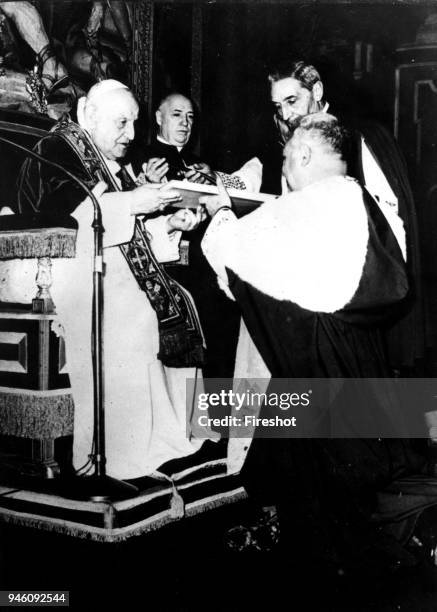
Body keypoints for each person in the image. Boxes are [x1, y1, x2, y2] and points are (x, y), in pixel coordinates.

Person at [200, 113, 436, 577]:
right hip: (360, 363)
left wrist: (218, 211)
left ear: (304, 154)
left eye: (287, 157)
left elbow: (236, 251)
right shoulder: (361, 199)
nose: (284, 167)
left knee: (334, 520)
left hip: (320, 363)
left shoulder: (306, 206)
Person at [15, 79, 213, 480]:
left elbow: (129, 233)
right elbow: (70, 224)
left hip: (102, 266)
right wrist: (138, 201)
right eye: (121, 123)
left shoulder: (106, 160)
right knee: (132, 312)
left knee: (178, 299)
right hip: (57, 269)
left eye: (135, 124)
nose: (131, 135)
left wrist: (170, 224)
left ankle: (180, 437)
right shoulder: (57, 149)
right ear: (88, 113)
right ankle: (127, 452)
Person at [229, 58, 424, 377]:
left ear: (317, 89)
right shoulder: (289, 144)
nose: (286, 113)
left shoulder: (358, 137)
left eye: (292, 100)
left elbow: (389, 221)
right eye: (278, 106)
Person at [131, 92, 240, 382]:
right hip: (167, 267)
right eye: (177, 114)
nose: (185, 123)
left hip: (205, 267)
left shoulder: (200, 164)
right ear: (158, 118)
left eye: (190, 117)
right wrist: (146, 184)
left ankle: (221, 420)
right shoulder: (139, 157)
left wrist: (214, 182)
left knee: (223, 338)